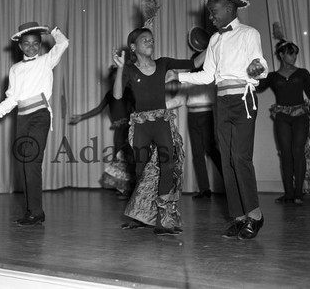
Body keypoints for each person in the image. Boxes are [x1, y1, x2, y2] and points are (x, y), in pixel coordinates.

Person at [176, 0, 268, 240]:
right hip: (222, 100)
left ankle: (255, 215)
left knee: (240, 157)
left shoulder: (249, 33)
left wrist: (256, 68)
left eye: (214, 13)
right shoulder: (215, 40)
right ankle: (238, 217)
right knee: (226, 160)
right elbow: (207, 75)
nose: (211, 18)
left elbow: (261, 66)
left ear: (229, 9)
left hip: (243, 99)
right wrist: (178, 76)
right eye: (210, 13)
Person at [112, 27, 204, 236]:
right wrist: (119, 69)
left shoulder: (163, 63)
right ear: (133, 47)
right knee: (141, 169)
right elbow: (117, 95)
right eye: (144, 39)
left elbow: (195, 64)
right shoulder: (129, 69)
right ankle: (139, 217)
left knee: (167, 164)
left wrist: (217, 39)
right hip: (141, 126)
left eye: (151, 39)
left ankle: (164, 219)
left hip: (161, 121)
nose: (150, 41)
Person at [0, 22, 69, 225]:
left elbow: (63, 43)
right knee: (24, 163)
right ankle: (33, 211)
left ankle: (36, 212)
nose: (31, 47)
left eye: (35, 43)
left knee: (32, 162)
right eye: (27, 44)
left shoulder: (47, 61)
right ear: (20, 46)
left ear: (40, 44)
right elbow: (12, 98)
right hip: (22, 117)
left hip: (40, 114)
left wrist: (53, 31)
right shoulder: (15, 69)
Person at [257, 38, 310, 204]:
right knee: (285, 154)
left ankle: (298, 194)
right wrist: (252, 72)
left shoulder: (302, 73)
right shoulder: (272, 76)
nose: (294, 57)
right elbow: (257, 86)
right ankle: (289, 194)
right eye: (290, 54)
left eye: (295, 54)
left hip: (300, 116)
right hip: (282, 117)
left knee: (298, 152)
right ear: (281, 55)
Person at [166, 27, 223, 199]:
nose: (195, 67)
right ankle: (204, 189)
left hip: (206, 114)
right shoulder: (189, 78)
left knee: (211, 150)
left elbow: (215, 97)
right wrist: (160, 104)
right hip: (192, 116)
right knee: (197, 153)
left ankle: (230, 186)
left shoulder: (210, 78)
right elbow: (179, 100)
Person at [69, 66, 136, 198]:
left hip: (129, 129)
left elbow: (135, 110)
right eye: (116, 76)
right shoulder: (110, 94)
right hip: (119, 131)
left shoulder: (129, 92)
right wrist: (81, 116)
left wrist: (126, 121)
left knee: (129, 159)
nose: (118, 79)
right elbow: (98, 109)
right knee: (119, 158)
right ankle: (123, 187)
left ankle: (131, 190)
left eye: (121, 76)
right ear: (112, 78)